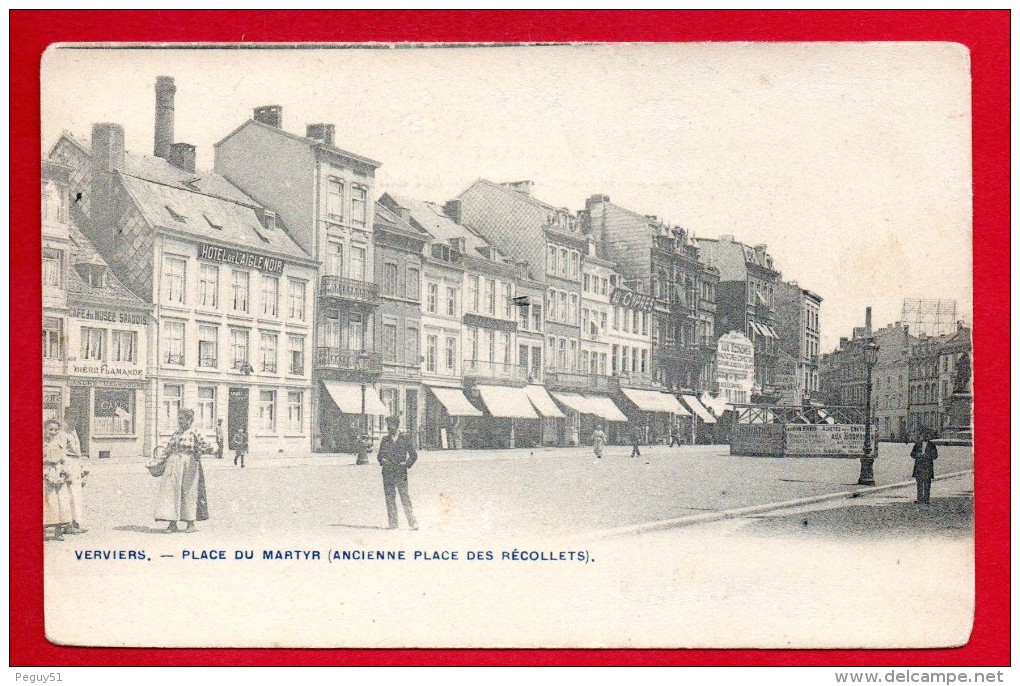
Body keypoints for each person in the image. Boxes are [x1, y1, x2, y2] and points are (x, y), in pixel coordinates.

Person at [154, 409, 216, 533]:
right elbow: (168, 449)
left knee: (189, 492)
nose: (180, 422)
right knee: (172, 492)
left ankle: (190, 524)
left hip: (190, 464)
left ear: (189, 420)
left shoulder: (195, 432)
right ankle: (172, 524)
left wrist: (199, 451)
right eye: (179, 419)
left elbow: (211, 446)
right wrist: (158, 462)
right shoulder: (176, 433)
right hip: (174, 464)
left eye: (182, 419)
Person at [377, 415, 418, 530]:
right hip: (388, 472)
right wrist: (382, 460)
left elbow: (414, 456)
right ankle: (393, 523)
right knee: (389, 498)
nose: (388, 428)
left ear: (396, 425)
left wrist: (406, 463)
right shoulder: (385, 439)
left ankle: (413, 522)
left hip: (401, 472)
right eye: (387, 425)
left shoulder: (405, 438)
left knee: (404, 497)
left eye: (390, 425)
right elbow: (379, 455)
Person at [43, 419, 72, 541]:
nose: (53, 432)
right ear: (45, 429)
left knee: (62, 502)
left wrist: (64, 475)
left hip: (59, 473)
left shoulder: (60, 443)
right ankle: (43, 530)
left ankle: (58, 530)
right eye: (50, 429)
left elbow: (64, 460)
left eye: (56, 429)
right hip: (46, 473)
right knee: (48, 503)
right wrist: (46, 475)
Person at [62, 415, 88, 534]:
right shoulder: (63, 434)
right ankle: (68, 524)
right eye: (71, 418)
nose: (74, 421)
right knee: (69, 495)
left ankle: (76, 522)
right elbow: (62, 453)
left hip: (76, 463)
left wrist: (82, 468)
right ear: (65, 419)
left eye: (76, 418)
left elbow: (78, 452)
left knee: (77, 495)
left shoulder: (74, 432)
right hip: (68, 463)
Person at [910, 429, 938, 505]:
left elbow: (935, 455)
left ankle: (926, 499)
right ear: (922, 436)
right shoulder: (917, 444)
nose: (925, 436)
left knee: (927, 483)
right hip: (919, 466)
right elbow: (912, 454)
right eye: (924, 435)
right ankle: (919, 499)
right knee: (919, 483)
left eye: (927, 435)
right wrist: (918, 455)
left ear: (929, 436)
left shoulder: (932, 445)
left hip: (927, 466)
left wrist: (928, 456)